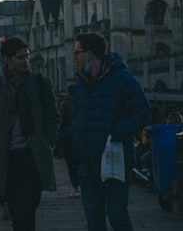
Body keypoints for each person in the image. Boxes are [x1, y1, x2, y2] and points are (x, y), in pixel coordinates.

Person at [0, 36, 58, 231]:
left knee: (30, 207)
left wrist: (48, 142)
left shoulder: (40, 84)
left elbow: (53, 117)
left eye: (26, 56)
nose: (25, 61)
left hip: (33, 157)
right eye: (19, 57)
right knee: (17, 211)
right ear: (6, 59)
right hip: (7, 159)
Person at [72, 32, 150, 231]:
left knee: (117, 216)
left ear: (89, 54)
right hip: (87, 163)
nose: (74, 58)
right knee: (94, 221)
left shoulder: (121, 77)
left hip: (115, 160)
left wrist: (115, 132)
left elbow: (142, 111)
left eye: (77, 53)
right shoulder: (81, 82)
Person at [58, 84, 81, 197]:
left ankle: (75, 188)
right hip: (81, 134)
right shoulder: (82, 102)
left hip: (68, 135)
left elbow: (60, 119)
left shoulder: (64, 103)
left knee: (71, 163)